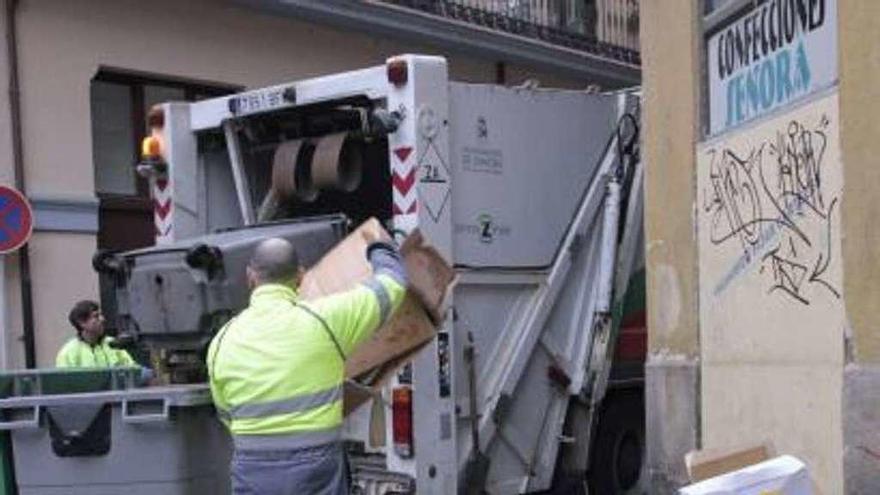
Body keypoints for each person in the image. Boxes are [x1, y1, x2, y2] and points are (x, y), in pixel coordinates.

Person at [207, 234, 407, 495]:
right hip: (316, 468)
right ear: (301, 277)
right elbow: (392, 286)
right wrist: (380, 248)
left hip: (253, 468)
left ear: (250, 277)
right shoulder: (326, 321)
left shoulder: (222, 341)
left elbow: (226, 413)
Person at [56, 300, 138, 368]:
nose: (103, 319)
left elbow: (134, 371)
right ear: (82, 323)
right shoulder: (68, 352)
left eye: (101, 315)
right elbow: (64, 384)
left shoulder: (114, 344)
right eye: (96, 316)